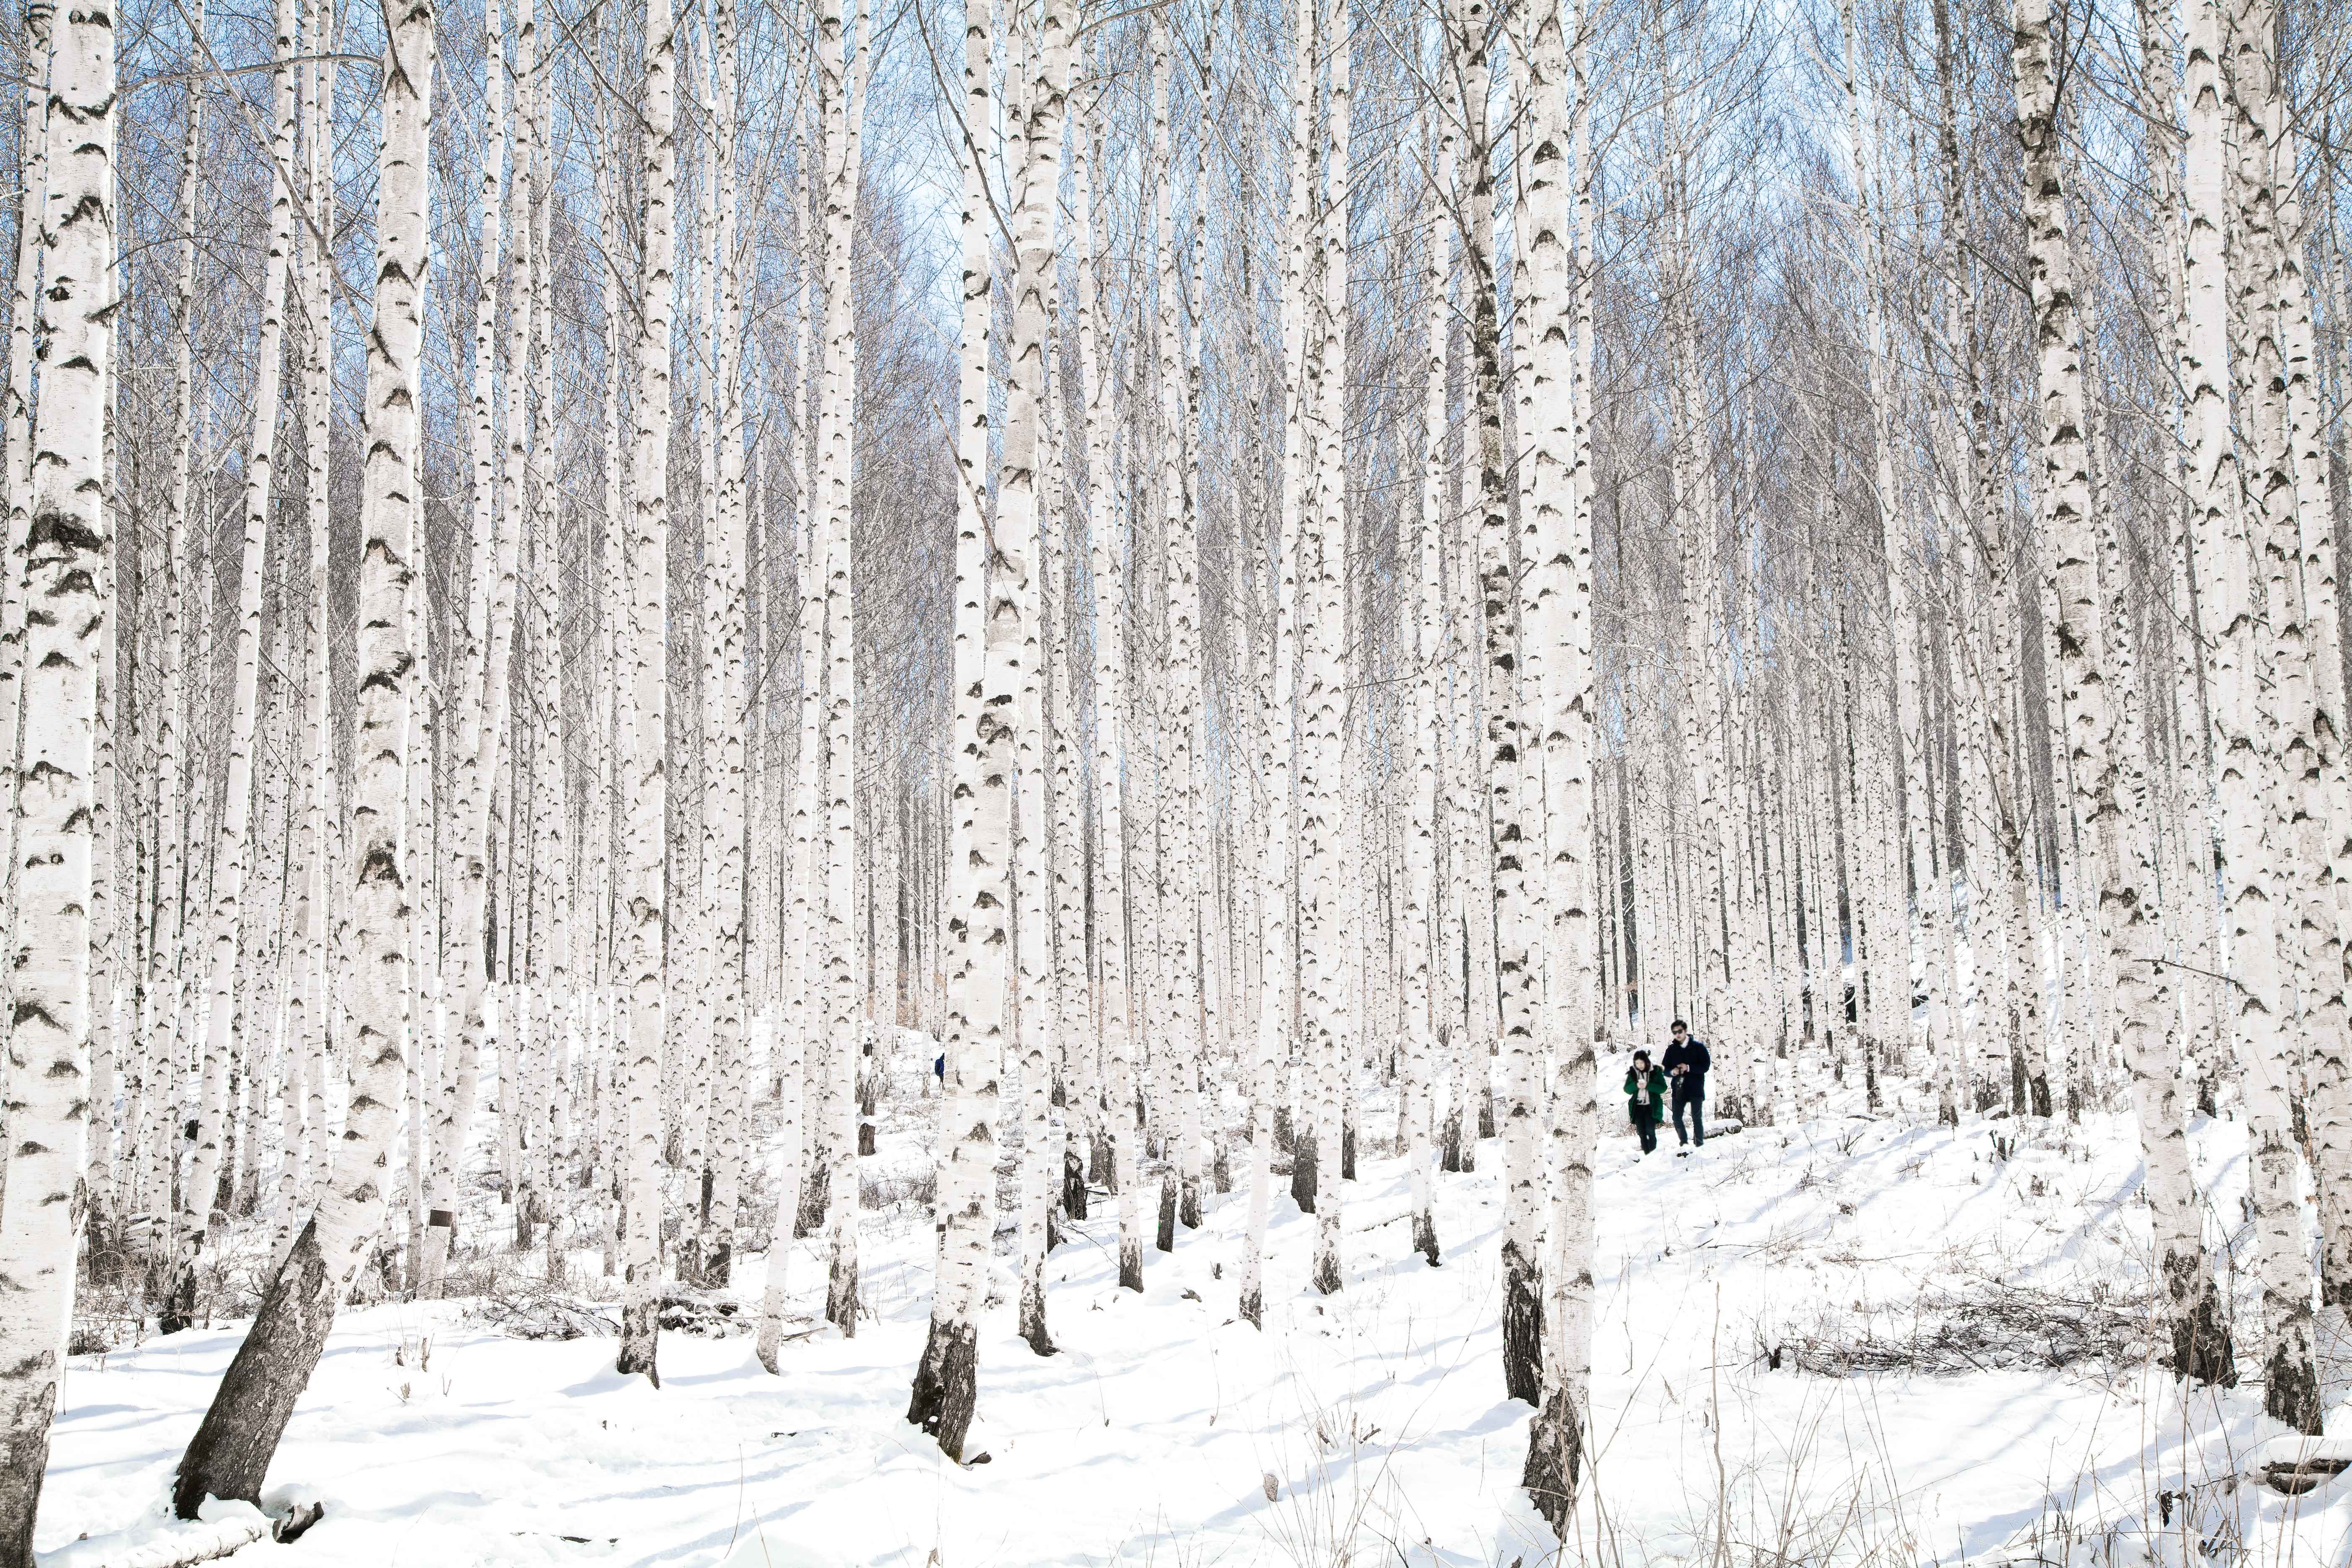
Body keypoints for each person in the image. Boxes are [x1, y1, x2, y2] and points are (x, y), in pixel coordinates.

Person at [1662, 1019, 1710, 1154]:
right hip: (1679, 1088)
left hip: (1696, 1088)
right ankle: (1684, 1144)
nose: (1678, 1034)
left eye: (1680, 1031)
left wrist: (1689, 1068)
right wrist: (1673, 1072)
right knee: (1677, 1118)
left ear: (1685, 1032)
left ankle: (1698, 1145)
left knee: (1697, 1117)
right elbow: (1665, 1068)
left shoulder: (1699, 1048)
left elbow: (1706, 1066)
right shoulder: (1671, 1050)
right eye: (1675, 1032)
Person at [1624, 1050, 1668, 1155]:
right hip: (1638, 1107)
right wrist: (1636, 1085)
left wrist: (1648, 1086)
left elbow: (1663, 1088)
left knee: (1650, 1131)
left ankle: (1653, 1153)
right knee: (1642, 1133)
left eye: (1642, 1063)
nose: (1640, 1065)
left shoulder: (1655, 1072)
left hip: (1651, 1107)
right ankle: (1647, 1154)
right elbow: (1627, 1089)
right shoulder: (1633, 1073)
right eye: (1637, 1063)